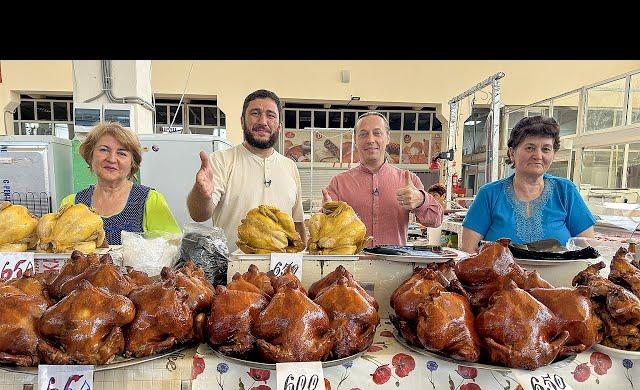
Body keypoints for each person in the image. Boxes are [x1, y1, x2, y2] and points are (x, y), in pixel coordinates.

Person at [187, 89, 305, 252]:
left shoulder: (290, 166)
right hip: (232, 273)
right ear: (242, 121)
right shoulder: (221, 161)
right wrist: (201, 193)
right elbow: (199, 214)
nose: (263, 121)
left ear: (279, 126)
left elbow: (297, 223)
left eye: (270, 115)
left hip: (281, 274)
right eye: (255, 113)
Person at [461, 115, 596, 253]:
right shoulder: (489, 194)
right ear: (512, 153)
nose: (538, 155)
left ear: (553, 154)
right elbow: (468, 250)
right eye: (530, 148)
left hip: (561, 275)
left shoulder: (566, 192)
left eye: (546, 149)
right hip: (498, 275)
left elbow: (587, 250)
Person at [322, 112, 443, 246]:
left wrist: (421, 200)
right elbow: (323, 232)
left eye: (377, 133)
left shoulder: (409, 180)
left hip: (395, 265)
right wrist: (326, 215)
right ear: (355, 140)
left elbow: (436, 220)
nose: (370, 139)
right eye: (363, 134)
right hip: (351, 266)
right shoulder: (339, 183)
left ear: (388, 138)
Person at [61, 122, 180, 245]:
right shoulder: (71, 205)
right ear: (90, 156)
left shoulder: (150, 200)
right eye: (104, 150)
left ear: (132, 163)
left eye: (122, 153)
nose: (112, 159)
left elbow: (171, 250)